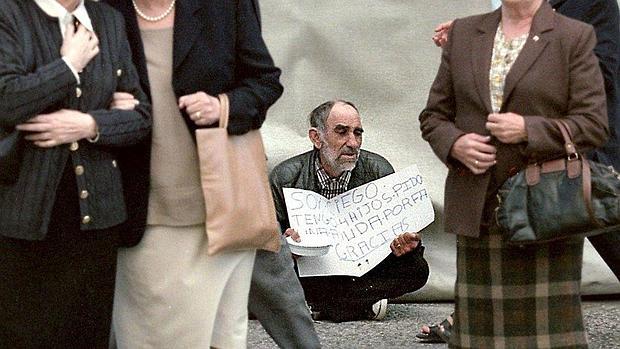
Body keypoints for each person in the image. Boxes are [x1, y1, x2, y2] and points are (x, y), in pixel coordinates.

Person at [419, 0, 620, 343]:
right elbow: (435, 116)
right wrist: (454, 144)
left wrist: (529, 123)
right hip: (480, 195)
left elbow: (602, 82)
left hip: (553, 178)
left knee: (548, 329)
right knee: (482, 329)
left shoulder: (589, 10)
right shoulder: (472, 32)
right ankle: (465, 318)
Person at [104, 0, 283, 347]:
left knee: (224, 338)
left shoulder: (225, 5)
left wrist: (222, 106)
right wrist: (105, 103)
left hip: (221, 208)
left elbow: (264, 82)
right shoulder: (102, 7)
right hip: (144, 210)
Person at [0, 0, 152, 347]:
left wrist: (89, 123)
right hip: (23, 214)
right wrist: (69, 65)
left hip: (96, 218)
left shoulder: (108, 20)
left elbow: (142, 117)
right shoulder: (9, 12)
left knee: (86, 335)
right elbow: (6, 102)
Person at [269, 100, 430, 323]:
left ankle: (322, 305)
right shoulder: (285, 176)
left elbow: (395, 238)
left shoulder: (378, 170)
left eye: (358, 133)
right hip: (311, 269)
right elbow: (268, 245)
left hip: (362, 271)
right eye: (342, 132)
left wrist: (404, 245)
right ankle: (359, 303)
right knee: (259, 277)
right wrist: (287, 245)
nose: (353, 143)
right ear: (317, 138)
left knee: (416, 268)